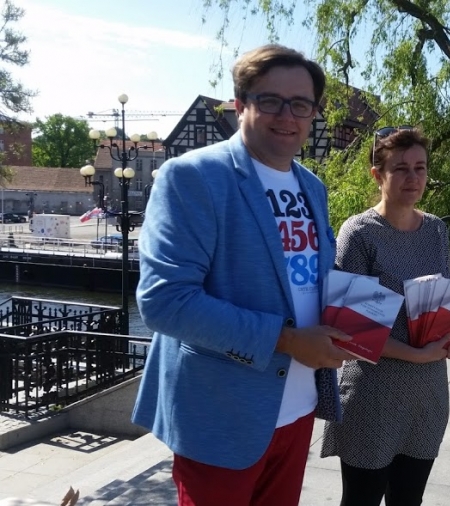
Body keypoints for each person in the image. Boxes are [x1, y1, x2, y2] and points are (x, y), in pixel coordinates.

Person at [132, 44, 354, 505]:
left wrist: (358, 323)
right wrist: (289, 341)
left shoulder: (312, 186)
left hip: (298, 406)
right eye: (270, 100)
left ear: (313, 112)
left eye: (301, 104)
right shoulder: (192, 176)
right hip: (220, 413)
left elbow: (309, 279)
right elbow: (165, 302)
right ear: (240, 105)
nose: (287, 116)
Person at [320, 127, 450, 506]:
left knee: (409, 500)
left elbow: (439, 299)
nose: (413, 177)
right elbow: (351, 330)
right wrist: (419, 355)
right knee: (361, 500)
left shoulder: (435, 229)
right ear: (378, 175)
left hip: (427, 394)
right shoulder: (360, 233)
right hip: (373, 393)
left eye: (420, 168)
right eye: (401, 168)